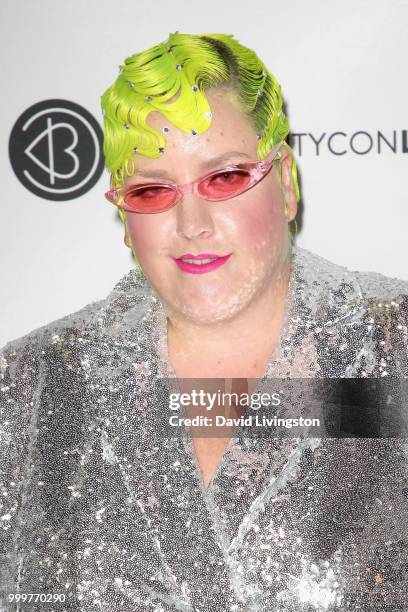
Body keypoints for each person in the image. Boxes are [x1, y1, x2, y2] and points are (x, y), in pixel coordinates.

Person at [1, 31, 408, 612]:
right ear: (122, 214)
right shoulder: (29, 383)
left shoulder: (395, 347)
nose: (192, 223)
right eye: (150, 190)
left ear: (286, 183)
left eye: (225, 178)